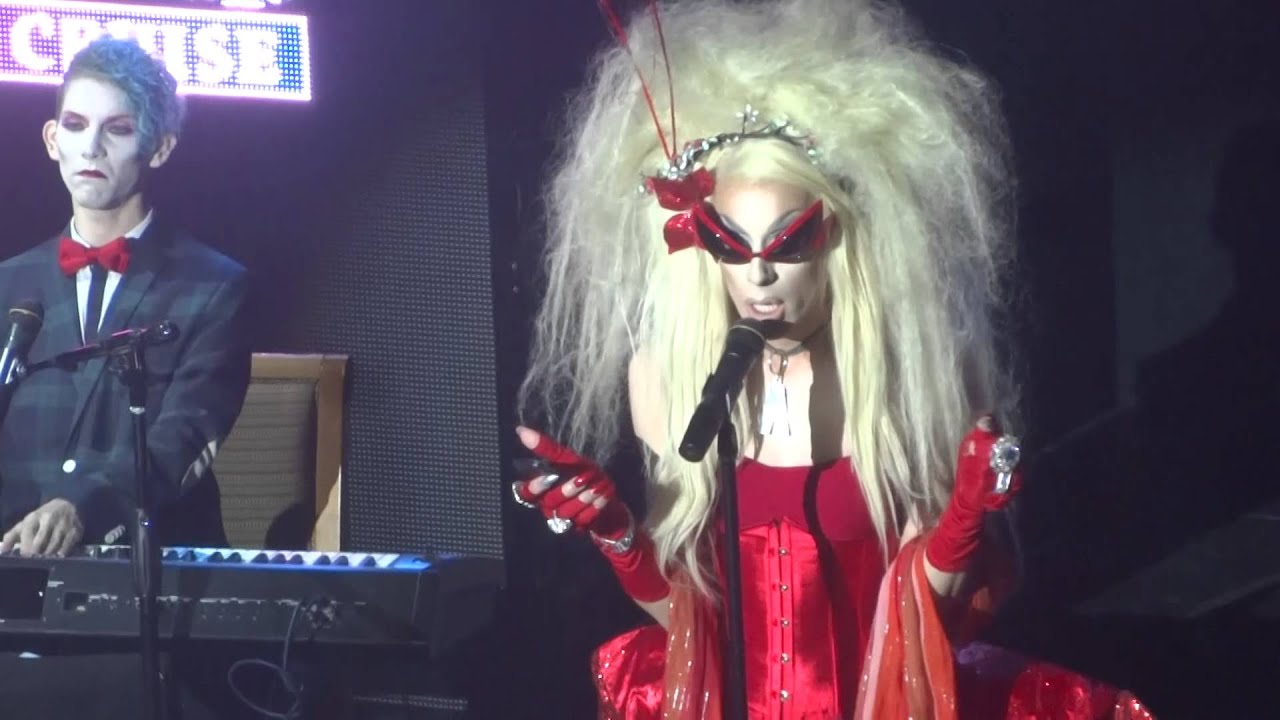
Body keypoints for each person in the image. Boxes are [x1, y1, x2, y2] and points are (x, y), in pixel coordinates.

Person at [511, 0, 1154, 717]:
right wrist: (619, 536)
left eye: (789, 242)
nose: (759, 275)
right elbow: (694, 627)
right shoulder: (669, 382)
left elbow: (927, 627)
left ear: (839, 242)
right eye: (730, 245)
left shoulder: (907, 383)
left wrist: (962, 522)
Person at [0, 36, 249, 557]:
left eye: (117, 129)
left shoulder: (213, 286)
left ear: (159, 148)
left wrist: (83, 509)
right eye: (75, 125)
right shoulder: (9, 283)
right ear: (52, 139)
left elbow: (184, 436)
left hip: (149, 571)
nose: (91, 147)